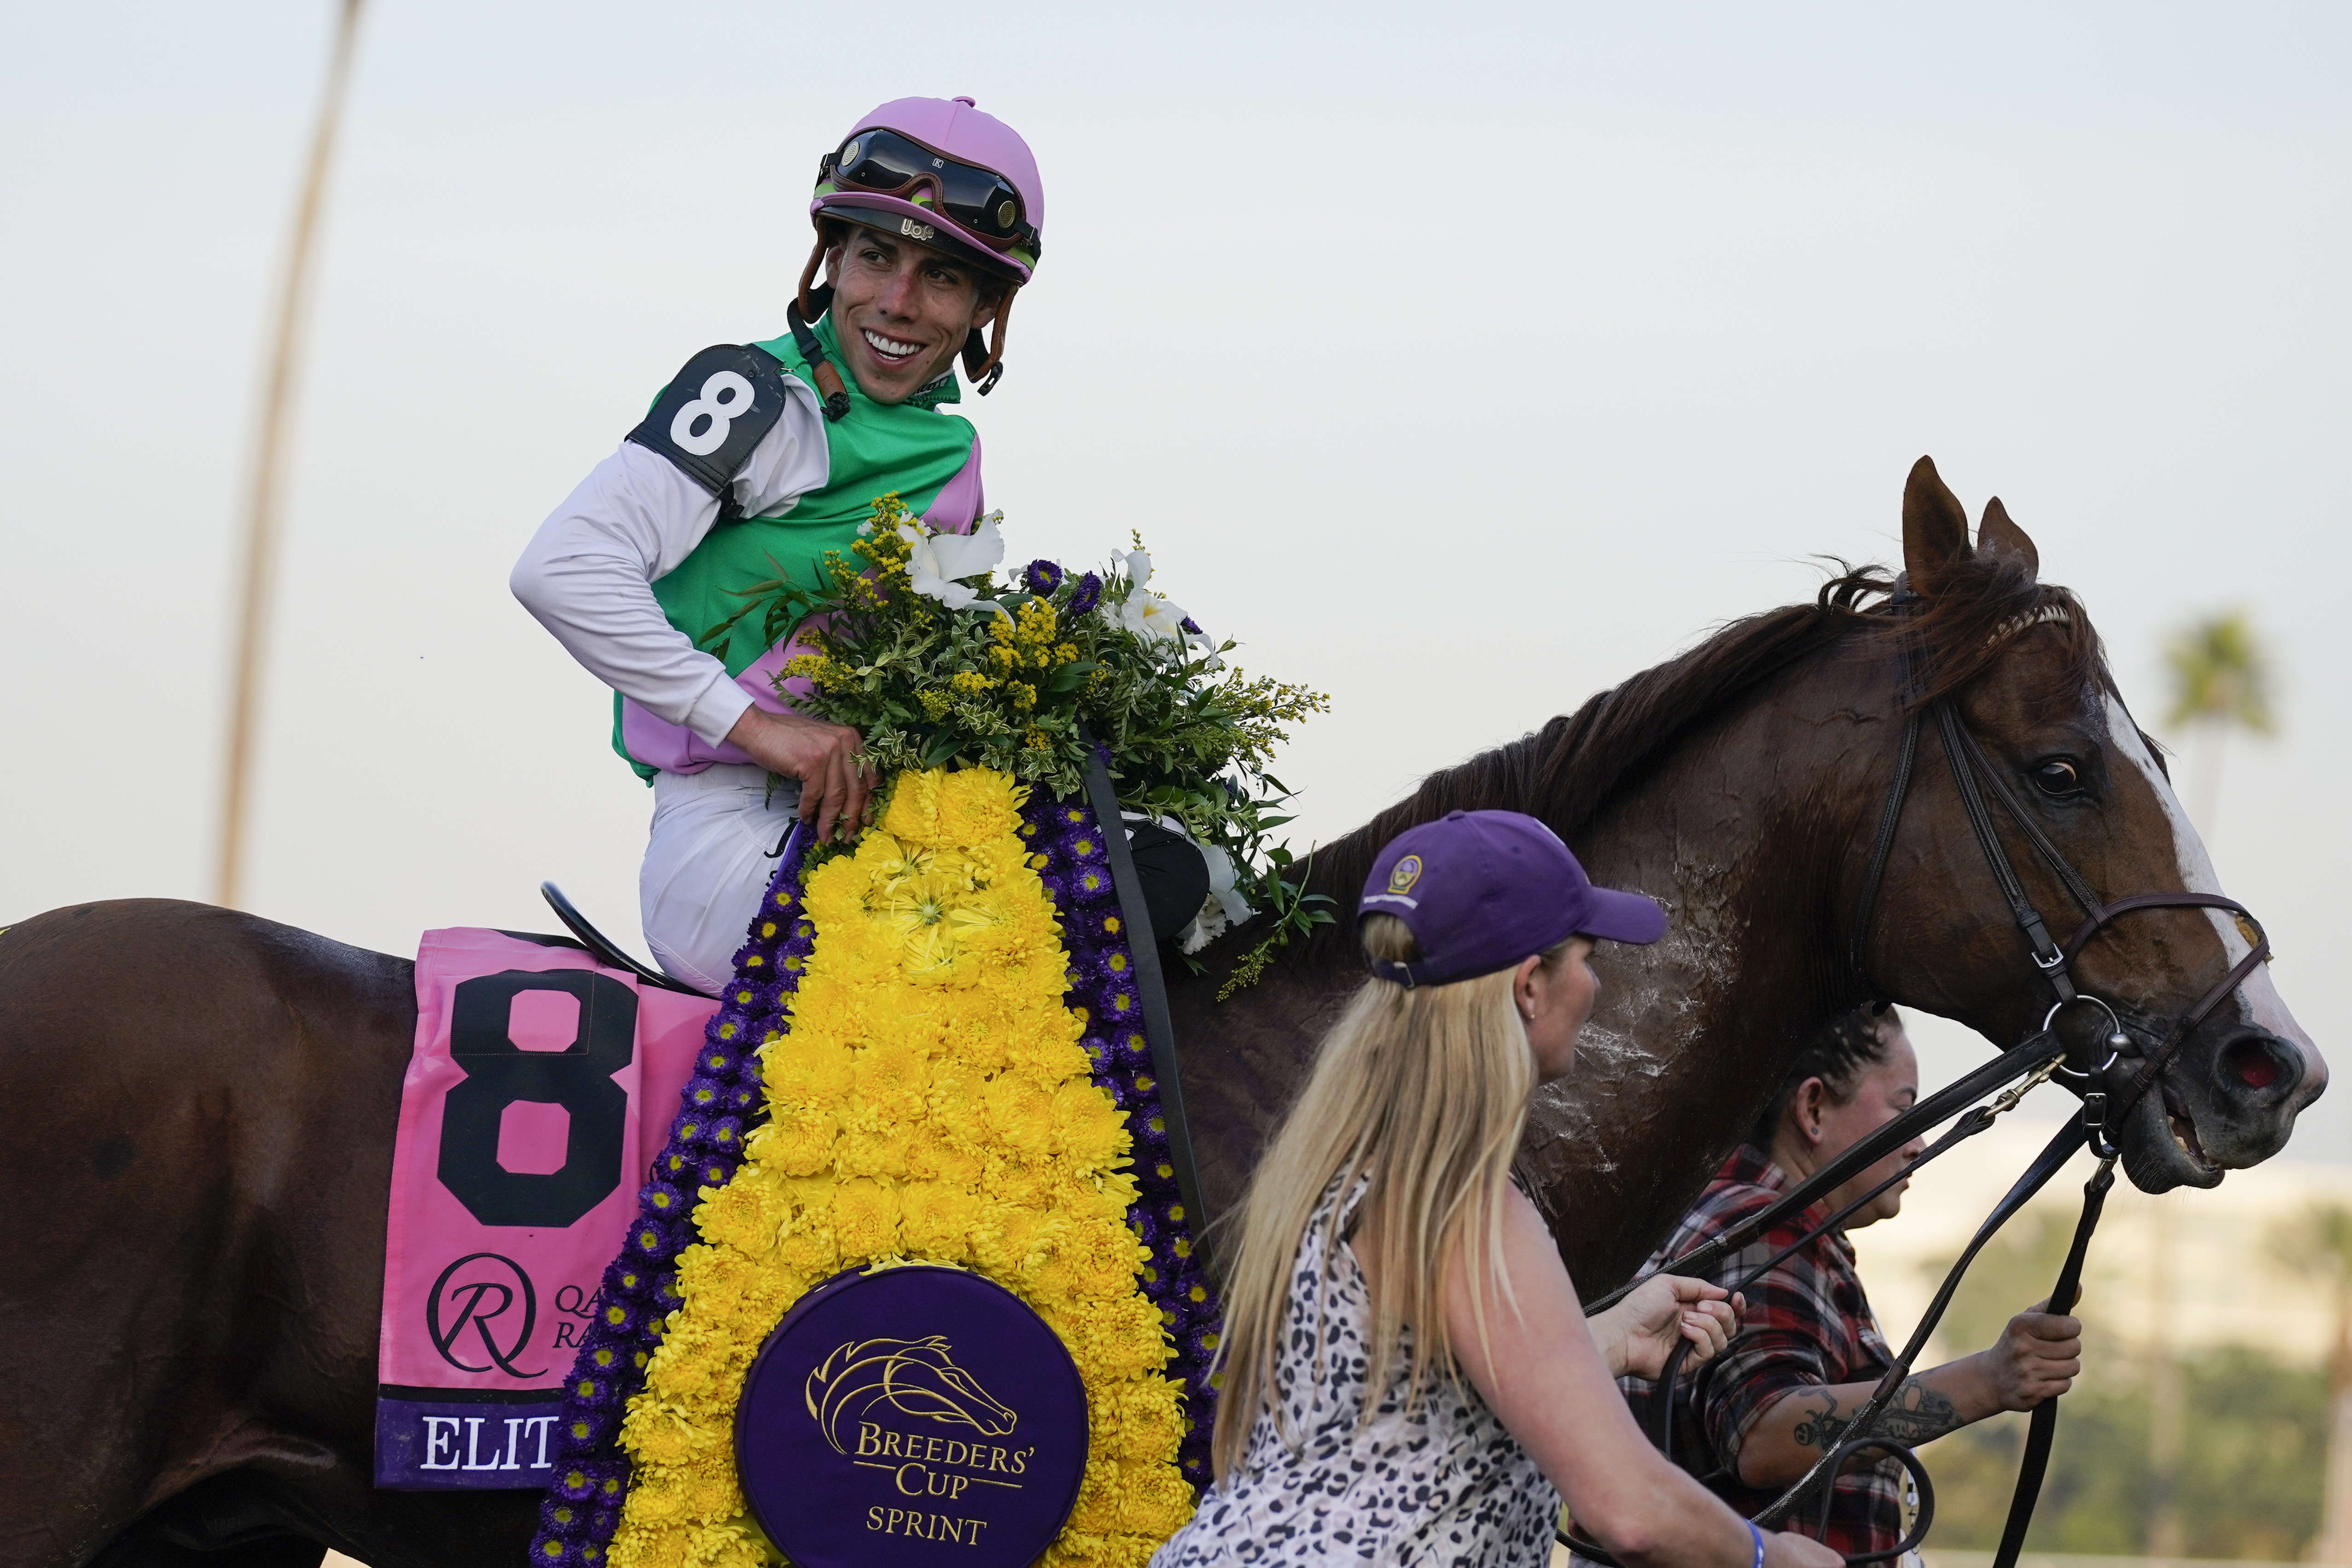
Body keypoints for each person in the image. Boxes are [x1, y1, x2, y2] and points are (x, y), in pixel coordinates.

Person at [1151, 809, 1846, 1568]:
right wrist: (1771, 1556)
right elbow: (1630, 1510)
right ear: (1528, 987)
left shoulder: (1346, 1171)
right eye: (1583, 956)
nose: (1594, 981)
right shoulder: (1463, 1208)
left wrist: (1611, 1337)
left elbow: (1404, 1406)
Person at [510, 96, 1042, 993]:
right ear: (831, 260)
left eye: (943, 276)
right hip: (720, 840)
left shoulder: (955, 461)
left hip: (872, 828)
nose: (898, 302)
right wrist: (758, 729)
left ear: (987, 306)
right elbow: (559, 568)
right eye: (876, 256)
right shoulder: (757, 395)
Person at [1617, 1004, 2086, 1561]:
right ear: (1813, 1109)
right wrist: (1988, 1380)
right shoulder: (1765, 1231)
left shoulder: (1737, 1221)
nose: (1918, 1141)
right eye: (1903, 1106)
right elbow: (1762, 1434)